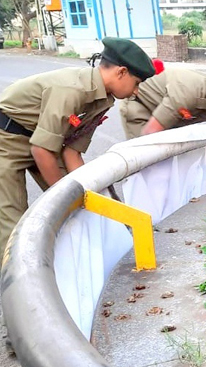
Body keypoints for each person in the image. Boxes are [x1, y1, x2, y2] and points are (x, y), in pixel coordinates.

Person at [0, 37, 155, 252]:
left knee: (79, 205)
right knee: (12, 219)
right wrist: (63, 198)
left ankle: (83, 259)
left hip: (45, 141)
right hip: (7, 138)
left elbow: (72, 153)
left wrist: (91, 197)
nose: (137, 91)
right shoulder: (71, 89)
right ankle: (14, 281)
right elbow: (41, 150)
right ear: (121, 72)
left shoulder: (104, 99)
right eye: (137, 83)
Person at [118, 69, 206, 139]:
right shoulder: (187, 94)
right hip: (141, 106)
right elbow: (149, 133)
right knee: (147, 165)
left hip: (172, 116)